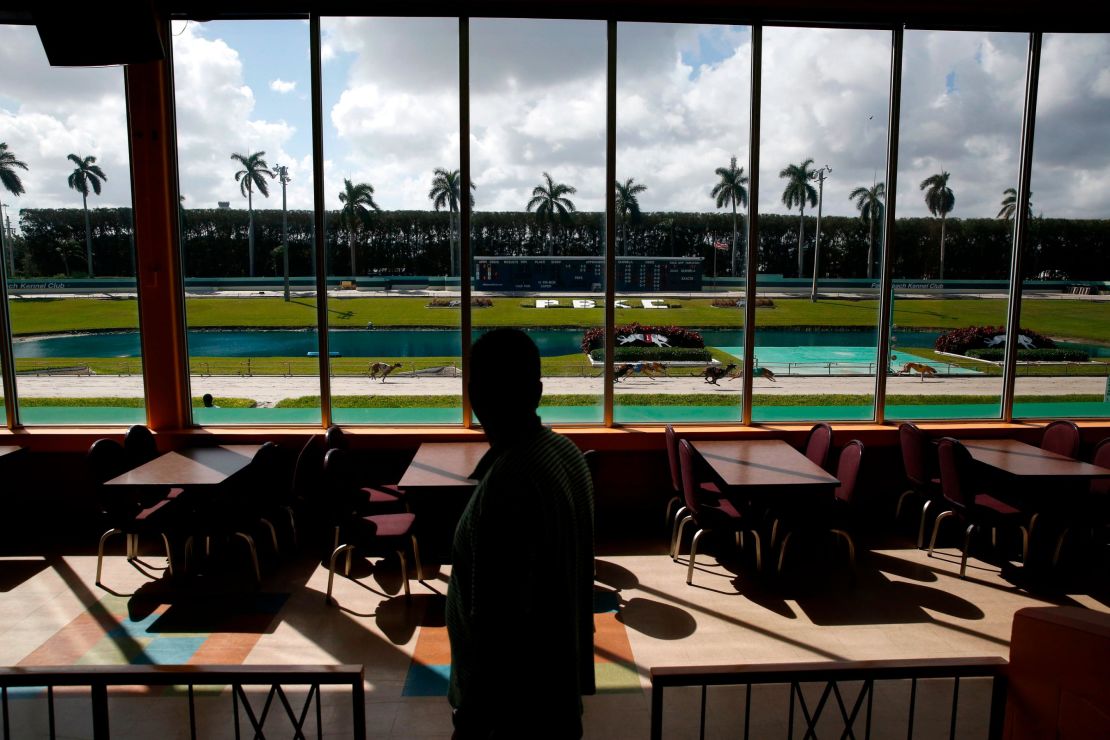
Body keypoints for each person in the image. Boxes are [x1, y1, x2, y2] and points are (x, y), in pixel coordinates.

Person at [447, 328, 595, 739]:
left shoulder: (509, 483)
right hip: (554, 693)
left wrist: (474, 716)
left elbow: (495, 618)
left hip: (514, 711)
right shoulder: (569, 456)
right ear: (539, 391)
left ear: (474, 396)